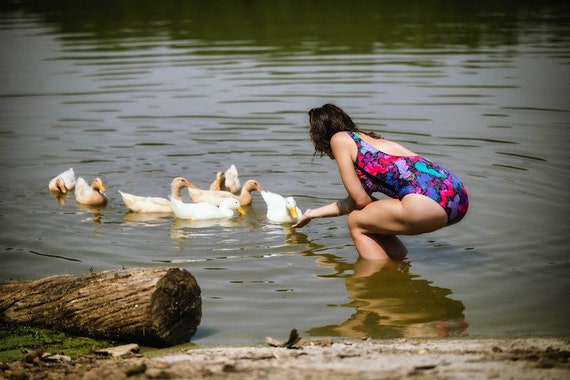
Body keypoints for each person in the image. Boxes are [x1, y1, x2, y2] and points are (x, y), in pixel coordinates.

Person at [292, 104, 469, 261]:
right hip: (456, 197)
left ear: (319, 137)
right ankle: (398, 265)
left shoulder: (339, 139)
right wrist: (311, 214)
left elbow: (359, 201)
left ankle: (376, 283)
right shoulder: (372, 140)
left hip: (426, 202)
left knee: (356, 221)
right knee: (370, 220)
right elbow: (357, 202)